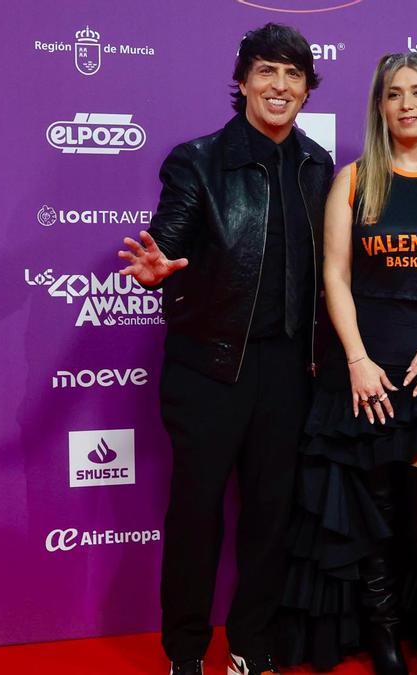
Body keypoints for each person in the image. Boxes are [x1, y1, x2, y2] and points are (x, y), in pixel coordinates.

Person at [279, 52, 417, 675]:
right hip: (366, 374)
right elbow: (334, 274)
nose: (406, 103)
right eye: (392, 93)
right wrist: (354, 359)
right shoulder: (354, 179)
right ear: (380, 106)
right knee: (374, 520)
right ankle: (384, 644)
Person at [117, 23, 333, 675]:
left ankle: (251, 644)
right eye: (267, 70)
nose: (280, 85)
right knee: (196, 515)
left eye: (293, 74)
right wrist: (158, 266)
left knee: (271, 517)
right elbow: (168, 237)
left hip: (290, 371)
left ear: (306, 90)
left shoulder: (315, 165)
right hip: (209, 368)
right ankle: (185, 652)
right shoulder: (198, 161)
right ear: (241, 81)